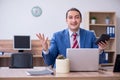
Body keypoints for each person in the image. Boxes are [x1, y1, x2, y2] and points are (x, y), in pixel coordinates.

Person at [36, 8, 108, 67]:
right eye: (70, 17)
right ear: (66, 20)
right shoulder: (57, 36)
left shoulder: (90, 35)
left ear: (81, 20)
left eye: (77, 17)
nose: (74, 20)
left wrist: (100, 50)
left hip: (84, 72)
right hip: (63, 72)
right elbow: (49, 62)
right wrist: (45, 50)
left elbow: (100, 61)